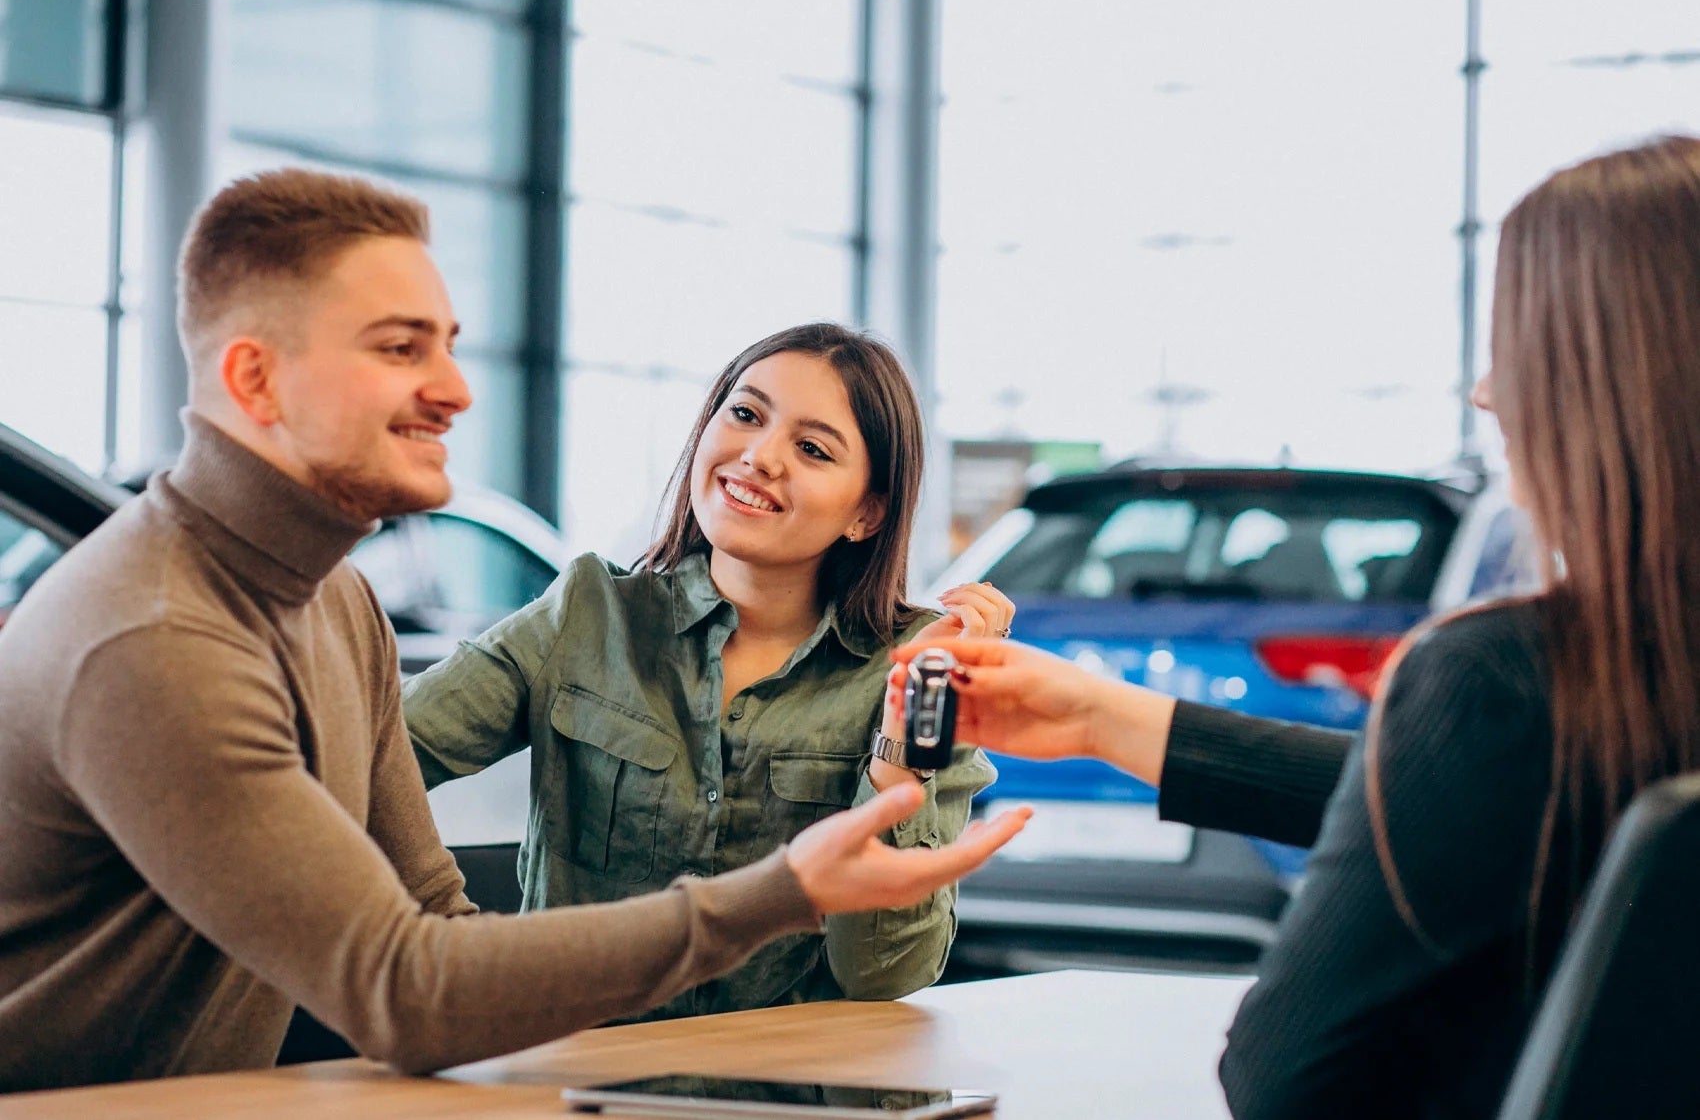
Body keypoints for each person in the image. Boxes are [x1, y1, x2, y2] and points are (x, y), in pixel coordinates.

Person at [0, 168, 1030, 1093]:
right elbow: (405, 984)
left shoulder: (335, 600)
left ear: (867, 509)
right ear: (254, 380)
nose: (457, 388)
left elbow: (430, 919)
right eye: (403, 348)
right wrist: (778, 892)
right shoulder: (155, 636)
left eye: (447, 345)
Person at [893, 134, 1700, 1119]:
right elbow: (1467, 805)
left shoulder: (1505, 677)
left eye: (1514, 345)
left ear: (1610, 381)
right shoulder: (1622, 686)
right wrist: (1109, 720)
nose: (1485, 392)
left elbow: (1281, 1080)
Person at [403, 322, 1013, 1020]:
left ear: (867, 513)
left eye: (812, 449)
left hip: (802, 1095)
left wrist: (902, 752)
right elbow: (377, 757)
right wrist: (437, 921)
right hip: (588, 1077)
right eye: (746, 414)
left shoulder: (915, 667)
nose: (759, 457)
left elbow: (884, 972)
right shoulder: (588, 613)